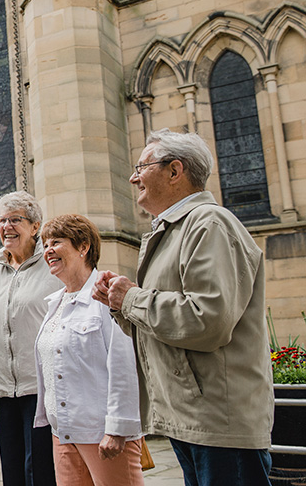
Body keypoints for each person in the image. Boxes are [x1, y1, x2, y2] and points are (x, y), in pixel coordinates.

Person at [93, 129, 274, 486]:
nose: (133, 177)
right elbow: (168, 324)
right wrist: (119, 304)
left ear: (175, 171)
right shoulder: (176, 229)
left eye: (142, 166)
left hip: (219, 422)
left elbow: (208, 321)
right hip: (194, 418)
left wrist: (131, 298)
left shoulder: (210, 224)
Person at [35, 214, 143, 486]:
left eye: (56, 242)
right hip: (63, 434)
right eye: (45, 244)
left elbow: (125, 366)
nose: (48, 250)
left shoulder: (108, 294)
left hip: (102, 434)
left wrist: (118, 429)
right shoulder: (55, 304)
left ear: (83, 247)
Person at [0, 191, 63, 486]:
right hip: (4, 391)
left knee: (39, 469)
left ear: (35, 226)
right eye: (2, 221)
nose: (7, 227)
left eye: (15, 220)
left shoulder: (53, 266)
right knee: (11, 469)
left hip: (42, 388)